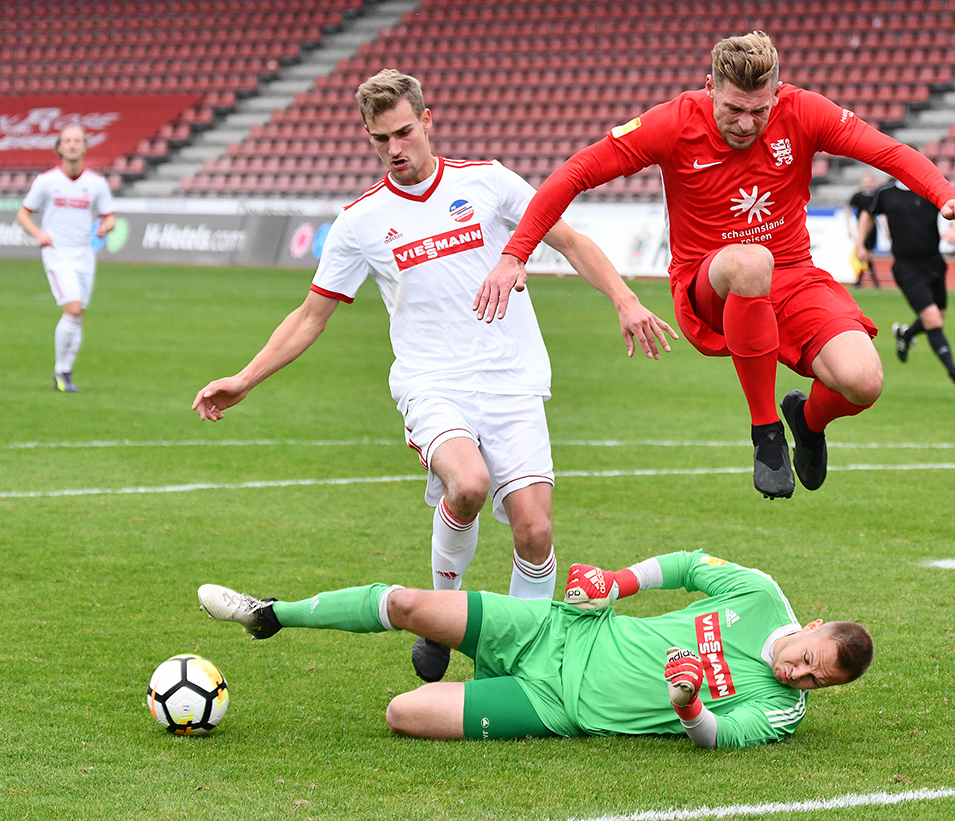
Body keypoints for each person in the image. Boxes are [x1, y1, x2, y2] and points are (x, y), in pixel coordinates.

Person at [191, 69, 676, 683]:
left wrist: (625, 300)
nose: (394, 149)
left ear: (426, 121)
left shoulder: (489, 183)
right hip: (433, 382)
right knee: (467, 485)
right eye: (378, 139)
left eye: (401, 132)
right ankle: (442, 611)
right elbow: (311, 315)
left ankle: (515, 663)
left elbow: (572, 242)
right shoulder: (360, 222)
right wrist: (245, 378)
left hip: (512, 380)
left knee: (535, 528)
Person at [475, 31, 955, 500]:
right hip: (710, 285)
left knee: (863, 381)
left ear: (777, 93)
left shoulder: (804, 111)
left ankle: (806, 424)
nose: (746, 124)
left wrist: (946, 194)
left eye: (759, 111)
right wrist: (515, 253)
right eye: (734, 109)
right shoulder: (672, 123)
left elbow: (888, 152)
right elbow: (576, 172)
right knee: (749, 261)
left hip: (794, 275)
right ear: (710, 88)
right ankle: (766, 432)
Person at [196, 549, 874, 747]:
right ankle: (271, 614)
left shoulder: (782, 711)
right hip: (561, 627)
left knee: (403, 713)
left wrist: (690, 704)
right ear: (812, 625)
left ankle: (451, 656)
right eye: (808, 660)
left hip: (554, 702)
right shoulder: (759, 594)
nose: (797, 676)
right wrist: (618, 581)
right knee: (405, 602)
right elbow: (691, 564)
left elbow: (717, 738)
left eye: (815, 683)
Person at [16, 124, 116, 393]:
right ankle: (62, 372)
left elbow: (109, 215)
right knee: (72, 310)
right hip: (58, 253)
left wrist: (106, 226)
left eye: (77, 141)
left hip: (85, 254)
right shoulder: (47, 181)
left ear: (84, 146)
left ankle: (65, 373)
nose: (72, 145)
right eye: (67, 141)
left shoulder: (95, 183)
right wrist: (39, 234)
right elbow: (24, 213)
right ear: (59, 147)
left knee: (78, 315)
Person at [856, 179, 955, 394]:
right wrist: (860, 243)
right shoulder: (886, 193)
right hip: (906, 267)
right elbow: (867, 214)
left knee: (938, 319)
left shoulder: (930, 189)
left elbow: (954, 206)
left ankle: (906, 335)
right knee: (933, 320)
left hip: (934, 263)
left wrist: (954, 228)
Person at [847, 172, 882, 288]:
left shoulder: (876, 195)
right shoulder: (857, 196)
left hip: (873, 227)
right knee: (864, 253)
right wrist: (849, 226)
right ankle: (873, 280)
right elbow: (848, 209)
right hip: (861, 228)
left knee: (868, 253)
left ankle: (861, 280)